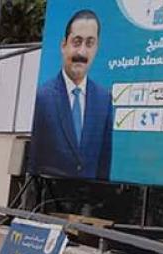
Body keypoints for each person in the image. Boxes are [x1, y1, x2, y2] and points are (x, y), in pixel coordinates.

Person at [31, 10, 114, 180]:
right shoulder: (42, 97)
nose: (82, 52)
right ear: (64, 45)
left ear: (96, 48)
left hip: (88, 201)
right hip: (49, 197)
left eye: (90, 43)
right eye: (77, 42)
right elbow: (34, 160)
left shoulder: (104, 99)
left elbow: (104, 164)